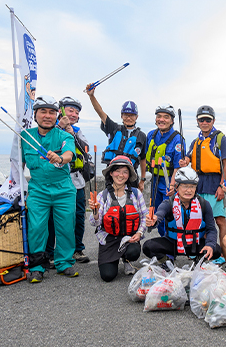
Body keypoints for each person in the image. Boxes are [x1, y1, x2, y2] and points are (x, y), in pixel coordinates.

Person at [20, 95, 79, 283]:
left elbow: (69, 153)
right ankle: (37, 266)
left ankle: (64, 263)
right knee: (37, 227)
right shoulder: (25, 136)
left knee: (66, 226)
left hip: (63, 189)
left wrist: (60, 158)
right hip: (38, 190)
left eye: (52, 112)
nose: (47, 116)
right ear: (35, 114)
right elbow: (18, 164)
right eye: (43, 111)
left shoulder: (65, 135)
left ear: (57, 115)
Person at [142, 167, 219, 264]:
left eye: (192, 186)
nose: (189, 190)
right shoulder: (168, 203)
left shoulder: (204, 204)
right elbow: (159, 215)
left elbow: (211, 229)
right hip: (173, 243)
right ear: (177, 187)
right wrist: (153, 220)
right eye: (185, 186)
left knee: (216, 249)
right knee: (148, 246)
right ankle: (167, 260)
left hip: (196, 244)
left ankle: (199, 259)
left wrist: (210, 245)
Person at [88, 155, 146, 282]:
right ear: (111, 173)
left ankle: (127, 259)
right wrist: (95, 211)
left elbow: (144, 217)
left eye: (125, 172)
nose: (121, 175)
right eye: (117, 171)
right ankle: (112, 259)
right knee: (107, 276)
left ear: (129, 175)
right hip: (109, 238)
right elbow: (94, 222)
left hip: (129, 238)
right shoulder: (103, 196)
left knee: (134, 251)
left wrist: (139, 232)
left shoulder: (136, 194)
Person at [182, 105, 226, 241]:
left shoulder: (220, 139)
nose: (204, 123)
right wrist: (184, 161)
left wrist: (222, 186)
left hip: (214, 182)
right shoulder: (195, 141)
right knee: (200, 219)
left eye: (208, 120)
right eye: (201, 120)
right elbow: (188, 157)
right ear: (197, 122)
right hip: (199, 183)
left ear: (213, 121)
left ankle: (223, 251)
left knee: (219, 220)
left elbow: (225, 164)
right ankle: (203, 250)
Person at [56, 96, 92, 264]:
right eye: (70, 110)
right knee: (55, 217)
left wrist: (73, 135)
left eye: (76, 112)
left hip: (76, 179)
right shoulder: (52, 129)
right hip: (57, 179)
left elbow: (85, 150)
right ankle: (51, 252)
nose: (73, 114)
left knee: (78, 215)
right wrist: (61, 128)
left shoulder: (77, 130)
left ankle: (78, 249)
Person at [85, 85, 146, 177]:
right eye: (125, 115)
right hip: (112, 173)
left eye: (131, 115)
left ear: (136, 117)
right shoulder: (113, 128)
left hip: (131, 175)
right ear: (121, 116)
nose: (128, 118)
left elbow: (142, 158)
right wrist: (91, 96)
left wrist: (143, 179)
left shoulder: (142, 136)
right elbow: (100, 112)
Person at [143, 103, 186, 231]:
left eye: (166, 117)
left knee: (169, 214)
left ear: (172, 121)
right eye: (159, 116)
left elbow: (178, 166)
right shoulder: (151, 135)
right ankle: (162, 239)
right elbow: (145, 158)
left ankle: (172, 242)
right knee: (155, 213)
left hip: (169, 182)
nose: (162, 119)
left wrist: (172, 186)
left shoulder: (178, 139)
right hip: (155, 181)